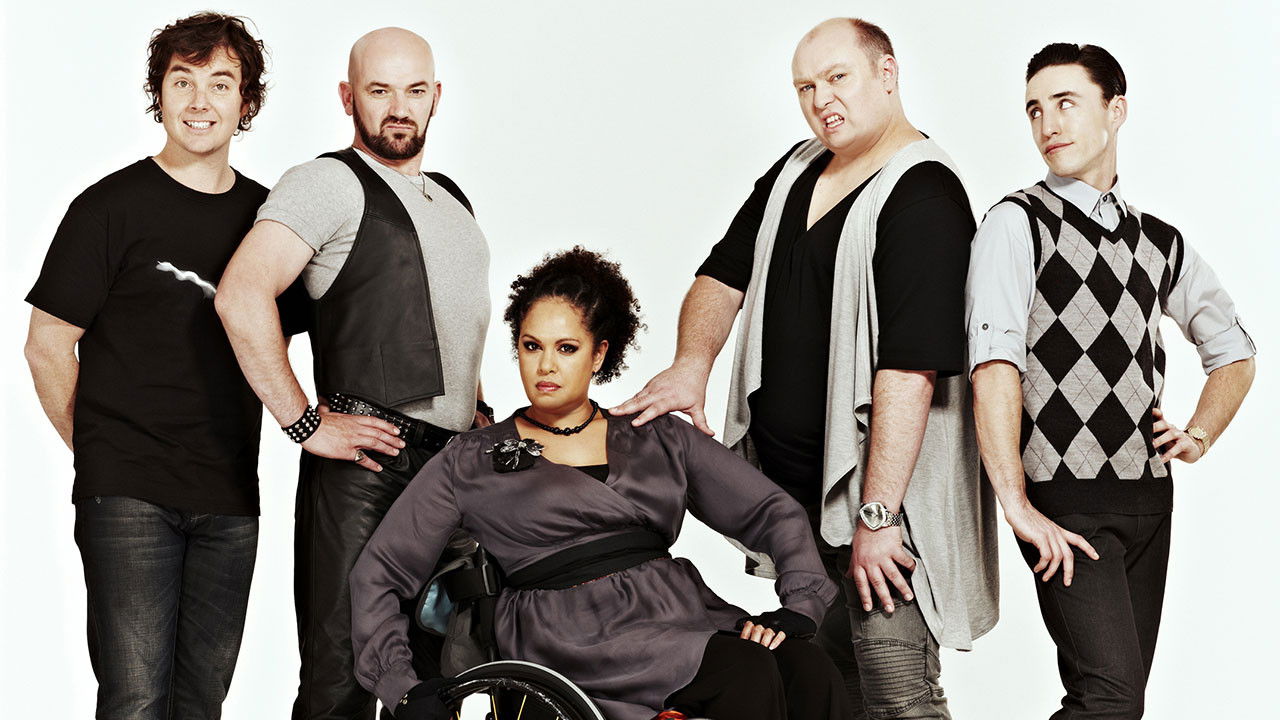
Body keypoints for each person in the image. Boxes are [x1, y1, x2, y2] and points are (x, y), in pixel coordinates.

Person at [613, 17, 996, 718]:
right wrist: (693, 363)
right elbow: (722, 274)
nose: (821, 100)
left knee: (898, 692)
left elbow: (909, 374)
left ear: (887, 73)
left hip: (884, 512)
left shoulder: (923, 195)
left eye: (837, 78)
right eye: (805, 87)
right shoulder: (797, 168)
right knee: (830, 689)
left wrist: (878, 518)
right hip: (805, 501)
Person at [350, 248, 849, 720]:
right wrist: (400, 686)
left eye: (566, 348)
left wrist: (801, 604)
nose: (545, 366)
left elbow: (771, 511)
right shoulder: (470, 459)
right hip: (567, 634)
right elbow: (381, 571)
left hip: (679, 612)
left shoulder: (654, 433)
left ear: (598, 354)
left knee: (806, 667)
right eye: (531, 346)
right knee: (744, 670)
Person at [23, 13, 301, 719]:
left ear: (247, 101)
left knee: (201, 704)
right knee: (136, 701)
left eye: (220, 83)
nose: (200, 101)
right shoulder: (108, 207)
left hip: (230, 497)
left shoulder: (269, 221)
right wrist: (102, 452)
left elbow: (308, 329)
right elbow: (47, 343)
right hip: (130, 496)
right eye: (183, 81)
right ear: (159, 93)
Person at [966, 43, 1256, 719]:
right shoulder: (1017, 223)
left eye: (1066, 103)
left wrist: (1200, 434)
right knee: (1111, 699)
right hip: (1064, 504)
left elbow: (1235, 351)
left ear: (1115, 110)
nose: (1047, 125)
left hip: (1150, 499)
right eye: (1034, 110)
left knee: (1118, 704)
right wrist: (1016, 504)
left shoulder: (1159, 241)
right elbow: (994, 367)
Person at [214, 27, 491, 720]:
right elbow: (240, 294)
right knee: (341, 681)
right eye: (379, 90)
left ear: (436, 98)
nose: (399, 107)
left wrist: (479, 408)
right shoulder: (326, 183)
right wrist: (304, 422)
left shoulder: (452, 198)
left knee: (436, 683)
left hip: (450, 471)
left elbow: (453, 322)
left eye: (414, 90)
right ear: (347, 97)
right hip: (366, 471)